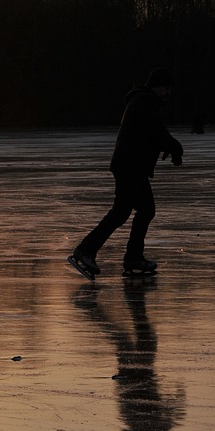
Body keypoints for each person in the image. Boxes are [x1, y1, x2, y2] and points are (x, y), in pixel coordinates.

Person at [69, 67, 184, 279]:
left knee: (127, 211)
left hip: (130, 165)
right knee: (140, 210)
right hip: (130, 166)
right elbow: (155, 131)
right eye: (166, 88)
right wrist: (174, 146)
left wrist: (169, 147)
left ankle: (115, 255)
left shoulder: (145, 101)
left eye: (170, 89)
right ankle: (96, 252)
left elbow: (149, 133)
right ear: (155, 87)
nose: (168, 93)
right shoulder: (144, 102)